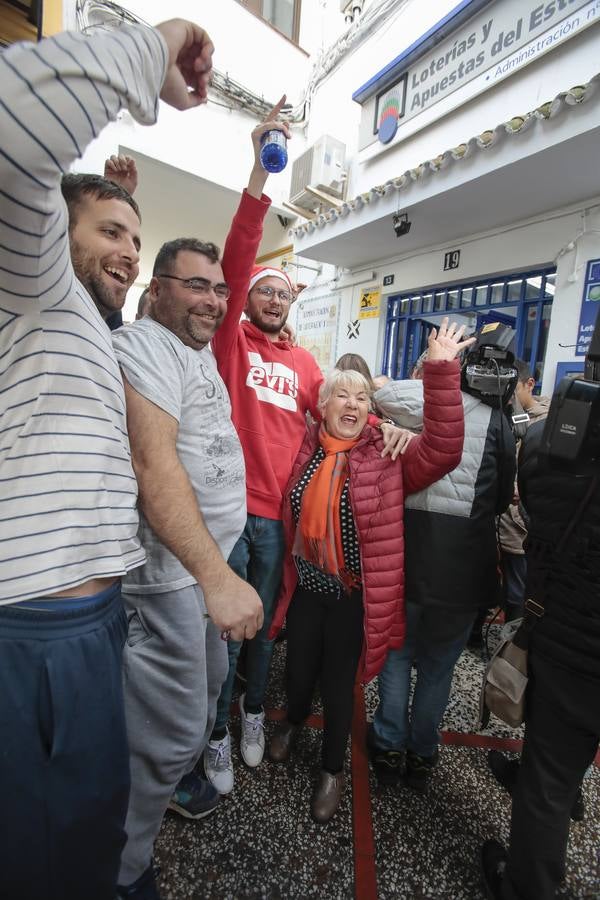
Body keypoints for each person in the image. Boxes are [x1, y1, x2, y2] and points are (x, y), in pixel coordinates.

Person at [0, 16, 215, 900]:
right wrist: (154, 43)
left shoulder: (84, 323)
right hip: (32, 633)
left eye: (138, 233)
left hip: (91, 626)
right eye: (111, 230)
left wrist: (108, 186)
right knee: (36, 853)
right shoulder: (33, 280)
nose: (129, 247)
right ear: (49, 231)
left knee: (87, 830)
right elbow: (15, 120)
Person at [111, 117, 277, 896]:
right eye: (196, 285)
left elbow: (239, 268)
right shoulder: (146, 343)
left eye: (219, 288)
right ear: (156, 291)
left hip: (214, 562)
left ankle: (153, 795)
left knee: (202, 696)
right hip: (175, 574)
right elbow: (154, 464)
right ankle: (121, 867)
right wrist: (213, 574)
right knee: (170, 727)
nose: (216, 298)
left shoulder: (201, 347)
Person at [267, 319, 471, 823]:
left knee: (339, 686)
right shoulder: (307, 449)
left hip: (352, 598)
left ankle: (332, 770)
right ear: (324, 405)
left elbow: (444, 451)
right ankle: (292, 722)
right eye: (342, 396)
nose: (353, 404)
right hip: (307, 590)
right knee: (296, 673)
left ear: (370, 409)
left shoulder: (387, 454)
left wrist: (442, 370)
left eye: (362, 397)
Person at [368, 342, 516, 791]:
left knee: (397, 656)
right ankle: (423, 752)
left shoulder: (425, 400)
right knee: (438, 667)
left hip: (411, 553)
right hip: (465, 565)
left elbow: (384, 394)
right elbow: (500, 497)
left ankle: (389, 743)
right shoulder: (501, 422)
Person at [481, 417, 600, 899]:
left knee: (546, 786)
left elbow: (528, 489)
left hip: (574, 645)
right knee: (555, 773)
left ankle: (526, 888)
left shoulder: (561, 448)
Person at [497, 360, 551, 622]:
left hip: (521, 525)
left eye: (513, 387)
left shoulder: (549, 423)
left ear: (529, 384)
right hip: (500, 520)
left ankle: (512, 652)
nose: (507, 393)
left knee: (519, 592)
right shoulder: (502, 415)